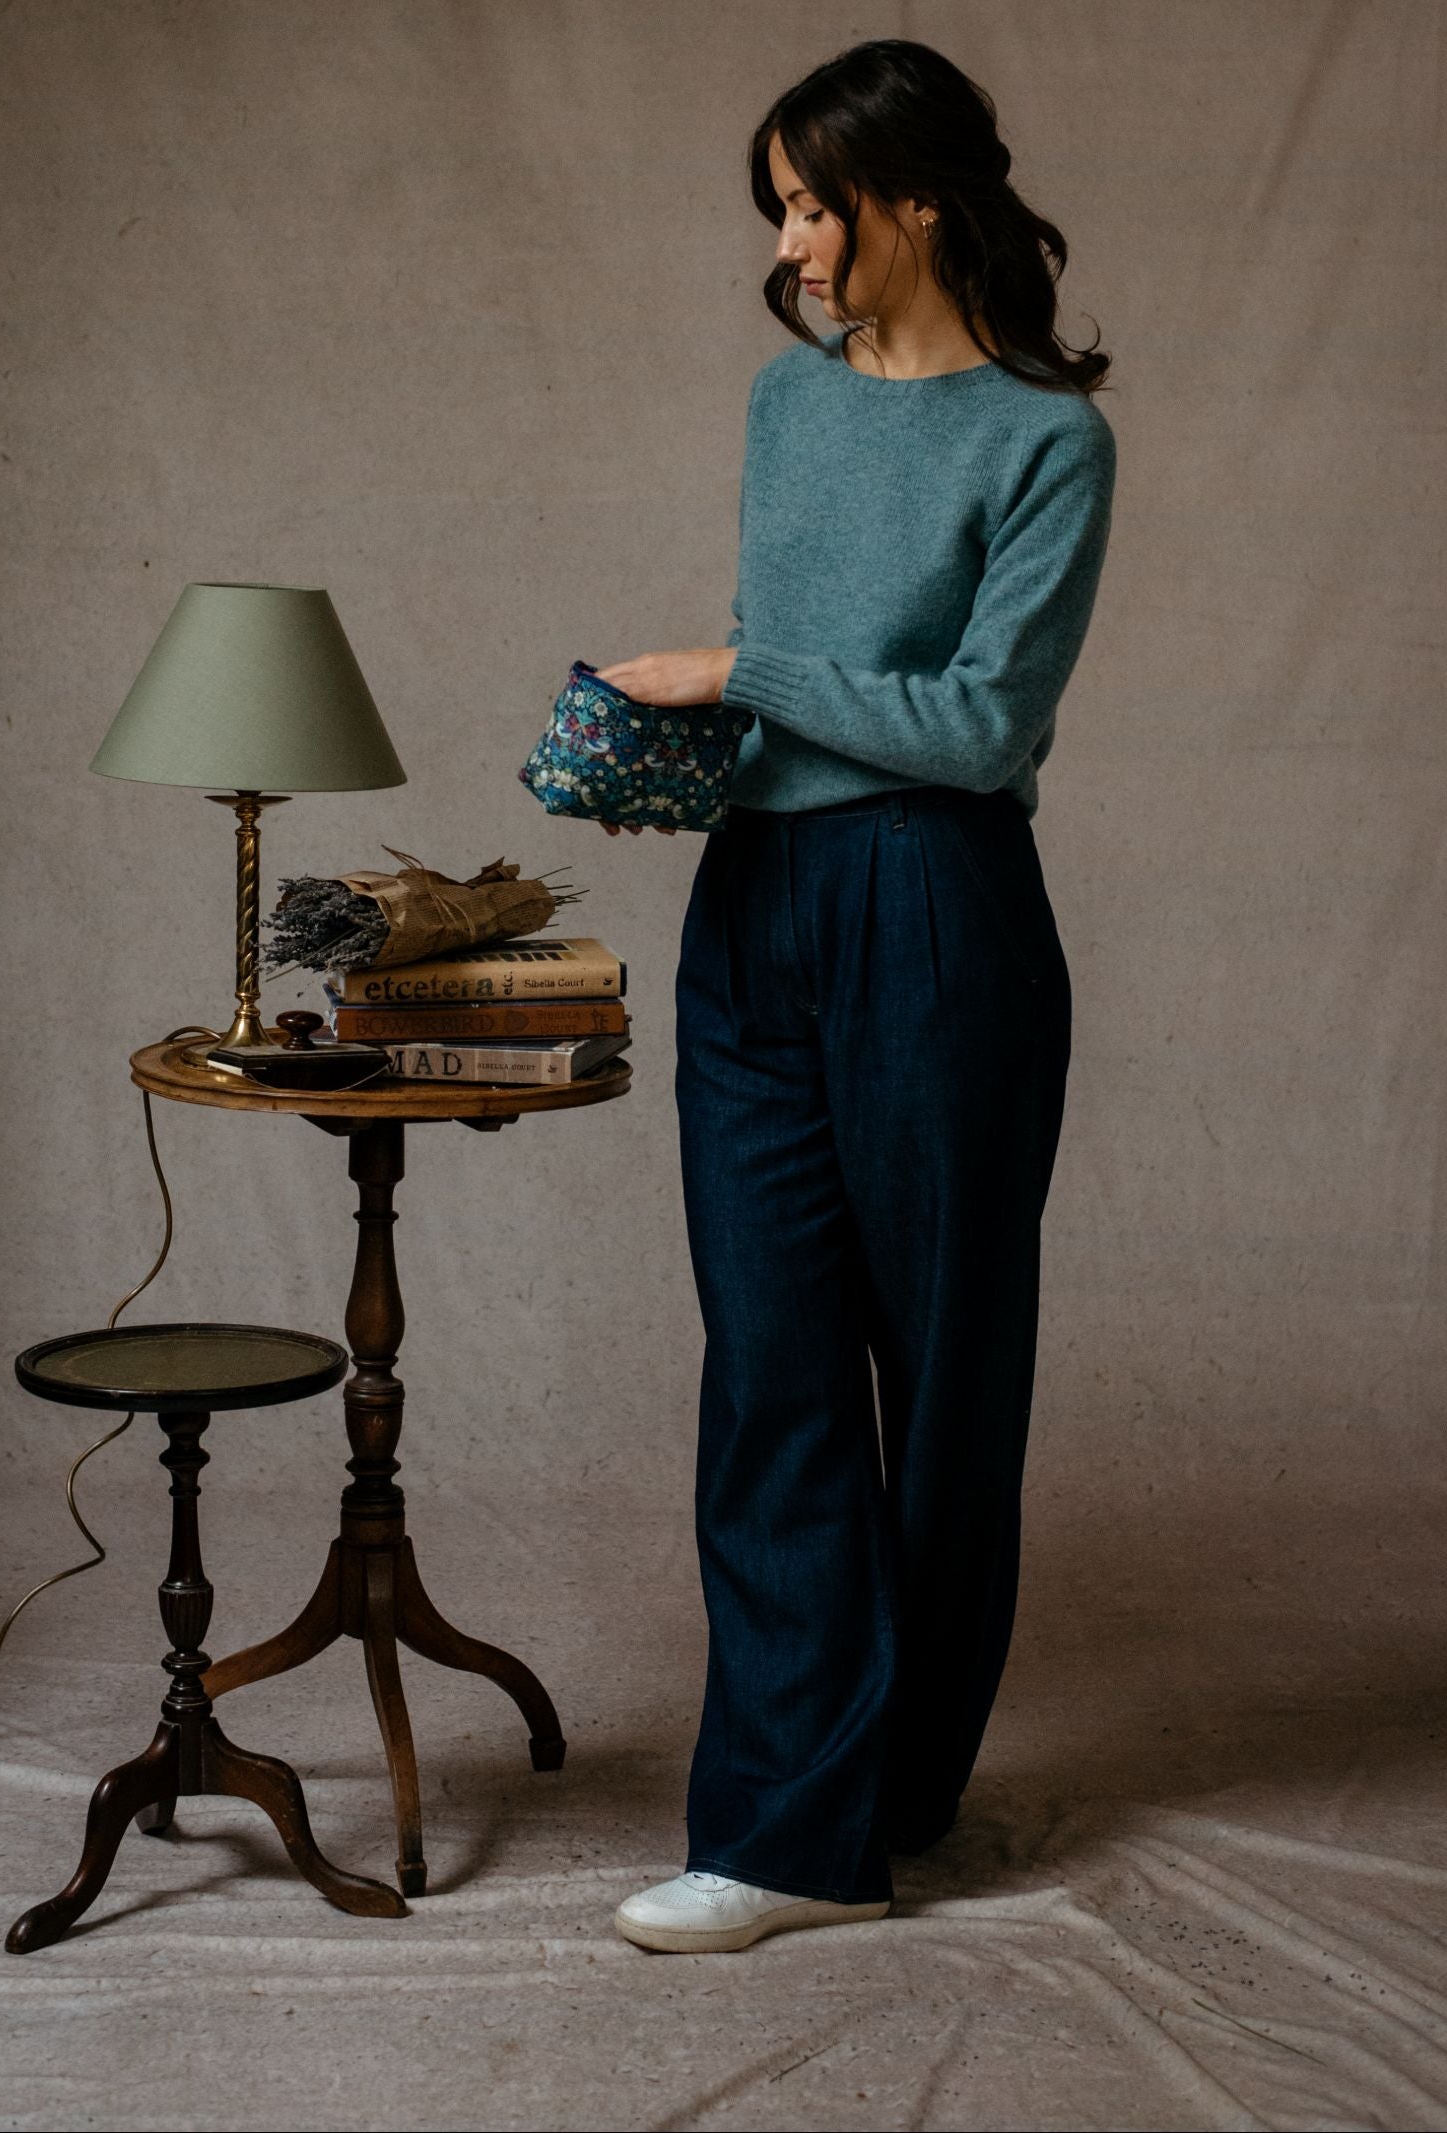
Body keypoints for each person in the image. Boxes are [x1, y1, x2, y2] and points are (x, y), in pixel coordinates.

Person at [595, 37, 1117, 1955]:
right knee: (773, 1373)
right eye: (781, 212)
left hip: (938, 909)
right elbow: (792, 682)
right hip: (757, 901)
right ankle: (782, 1828)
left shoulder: (1047, 440)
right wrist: (656, 753)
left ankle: (892, 1786)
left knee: (947, 1379)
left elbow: (978, 727)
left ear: (917, 199)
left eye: (816, 206)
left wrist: (737, 671)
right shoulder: (786, 403)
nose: (793, 246)